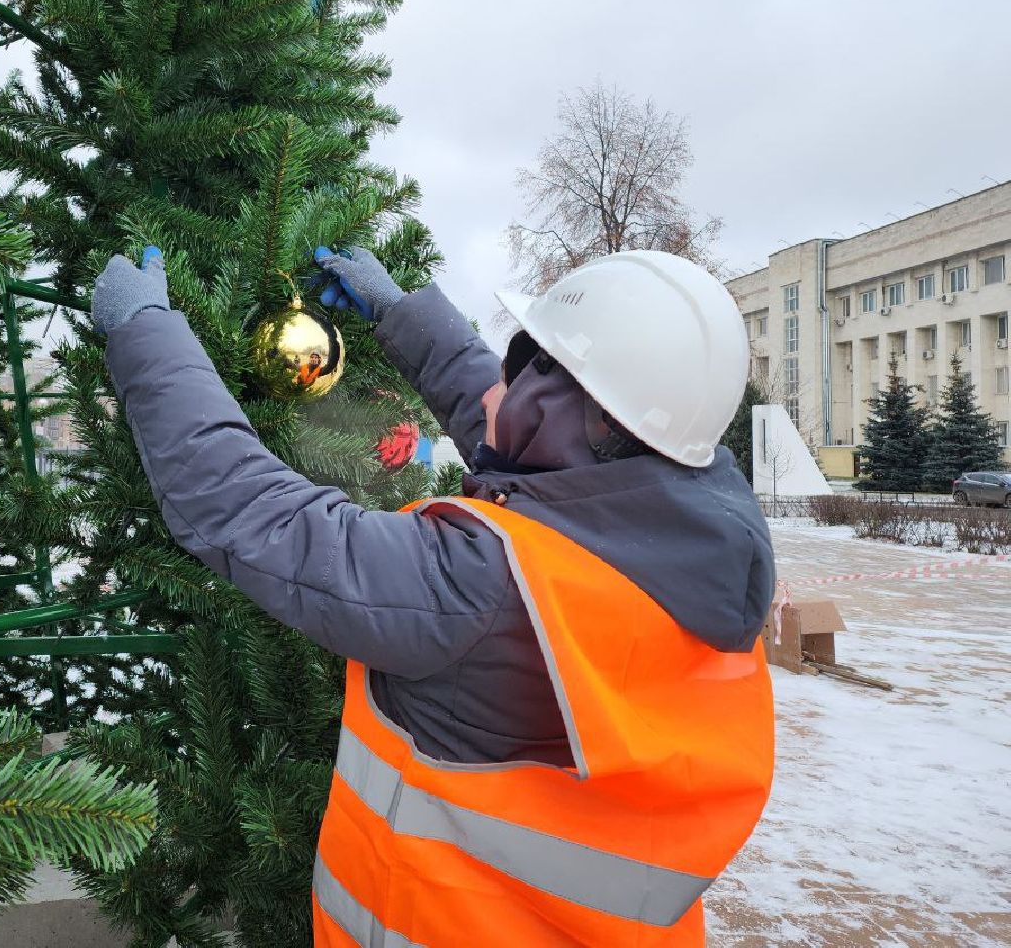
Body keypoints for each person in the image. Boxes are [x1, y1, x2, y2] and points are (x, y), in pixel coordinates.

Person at [91, 243, 776, 947]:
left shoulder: (480, 584)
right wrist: (402, 314)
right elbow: (530, 449)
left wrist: (144, 331)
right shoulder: (686, 541)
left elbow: (249, 510)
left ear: (580, 417)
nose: (495, 391)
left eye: (524, 373)